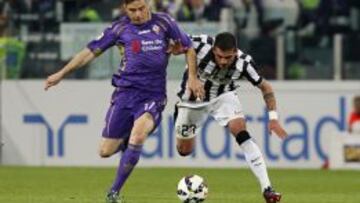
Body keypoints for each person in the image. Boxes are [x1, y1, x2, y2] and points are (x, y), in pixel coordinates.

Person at [44, 0, 204, 202]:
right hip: (125, 95)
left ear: (148, 5)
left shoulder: (164, 23)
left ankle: (113, 193)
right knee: (105, 151)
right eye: (132, 10)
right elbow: (89, 53)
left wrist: (192, 77)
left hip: (153, 95)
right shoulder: (120, 29)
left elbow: (188, 47)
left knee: (137, 137)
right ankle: (133, 140)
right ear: (124, 9)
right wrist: (61, 74)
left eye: (141, 9)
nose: (138, 14)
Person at [169, 32, 287, 203]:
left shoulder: (244, 63)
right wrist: (176, 54)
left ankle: (267, 189)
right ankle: (181, 115)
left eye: (228, 57)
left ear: (235, 52)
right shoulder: (201, 44)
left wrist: (273, 118)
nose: (224, 61)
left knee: (240, 130)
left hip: (223, 96)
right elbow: (175, 44)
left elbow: (266, 87)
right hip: (192, 100)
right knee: (184, 151)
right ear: (214, 49)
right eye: (219, 56)